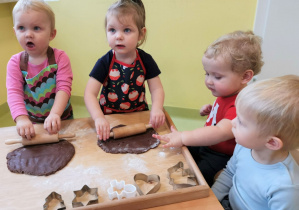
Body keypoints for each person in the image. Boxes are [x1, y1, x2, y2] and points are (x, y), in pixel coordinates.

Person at [153, 31, 263, 186]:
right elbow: (224, 115)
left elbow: (220, 131)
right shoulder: (227, 91)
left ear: (245, 77)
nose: (209, 81)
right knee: (179, 154)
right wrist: (212, 110)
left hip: (221, 156)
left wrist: (184, 136)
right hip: (208, 145)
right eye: (207, 74)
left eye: (217, 77)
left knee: (195, 177)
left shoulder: (241, 104)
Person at [212, 75, 299, 210]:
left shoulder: (286, 188)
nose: (232, 122)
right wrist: (212, 199)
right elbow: (229, 173)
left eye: (241, 121)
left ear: (271, 142)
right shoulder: (244, 146)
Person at [84, 0, 165, 141]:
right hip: (109, 118)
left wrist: (157, 108)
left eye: (126, 30)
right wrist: (98, 118)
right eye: (112, 30)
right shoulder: (104, 62)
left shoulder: (146, 60)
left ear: (141, 34)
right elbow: (89, 94)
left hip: (139, 116)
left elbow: (157, 89)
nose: (118, 36)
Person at [6, 0, 73, 140]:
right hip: (33, 122)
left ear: (52, 34)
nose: (28, 34)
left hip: (62, 118)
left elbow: (64, 88)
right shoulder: (15, 63)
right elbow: (14, 93)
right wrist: (21, 119)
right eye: (21, 28)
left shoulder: (60, 58)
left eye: (36, 28)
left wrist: (55, 114)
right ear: (14, 31)